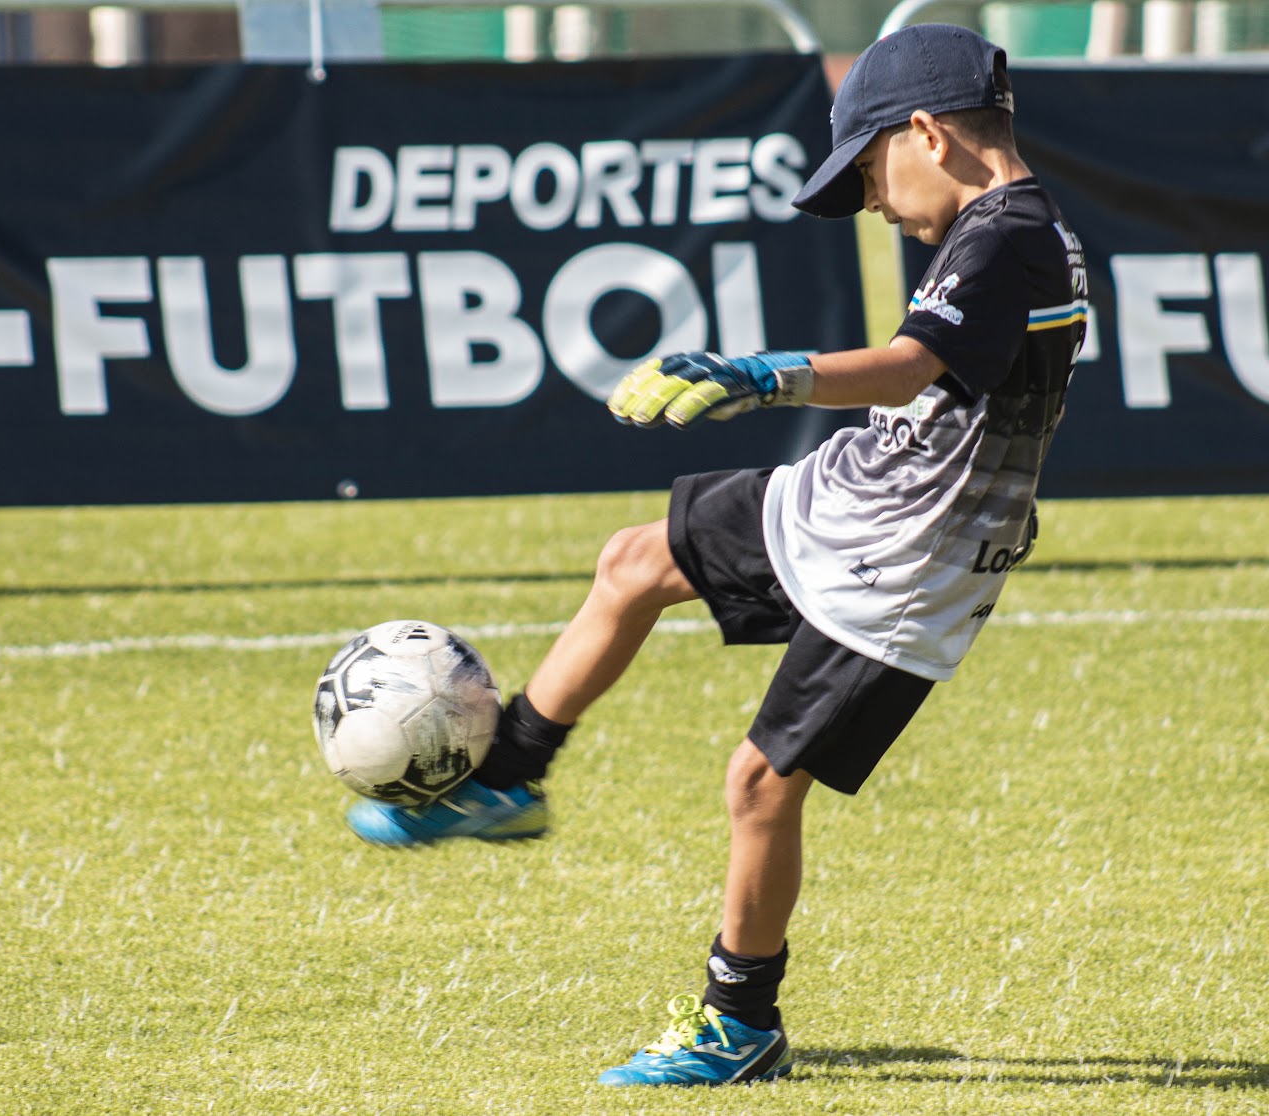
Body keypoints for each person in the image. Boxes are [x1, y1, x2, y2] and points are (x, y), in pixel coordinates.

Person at [345, 22, 1089, 1088]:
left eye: (870, 172)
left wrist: (763, 375)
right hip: (861, 496)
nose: (874, 202)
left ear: (929, 133)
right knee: (634, 562)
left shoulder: (1007, 235)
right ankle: (506, 776)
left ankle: (740, 1021)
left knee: (759, 785)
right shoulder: (1007, 229)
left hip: (908, 560)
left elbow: (906, 367)